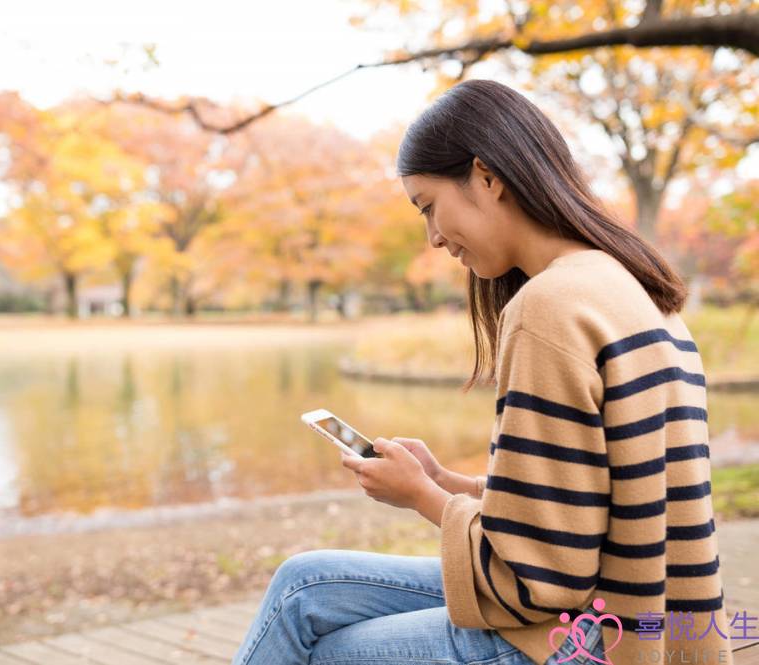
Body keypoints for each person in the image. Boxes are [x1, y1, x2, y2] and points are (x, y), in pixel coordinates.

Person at [232, 79, 732, 665]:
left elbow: (538, 581)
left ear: (487, 177)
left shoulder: (549, 307)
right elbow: (589, 504)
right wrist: (450, 482)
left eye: (428, 207)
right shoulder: (632, 290)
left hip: (589, 638)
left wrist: (421, 497)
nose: (434, 238)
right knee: (304, 587)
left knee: (330, 650)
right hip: (647, 612)